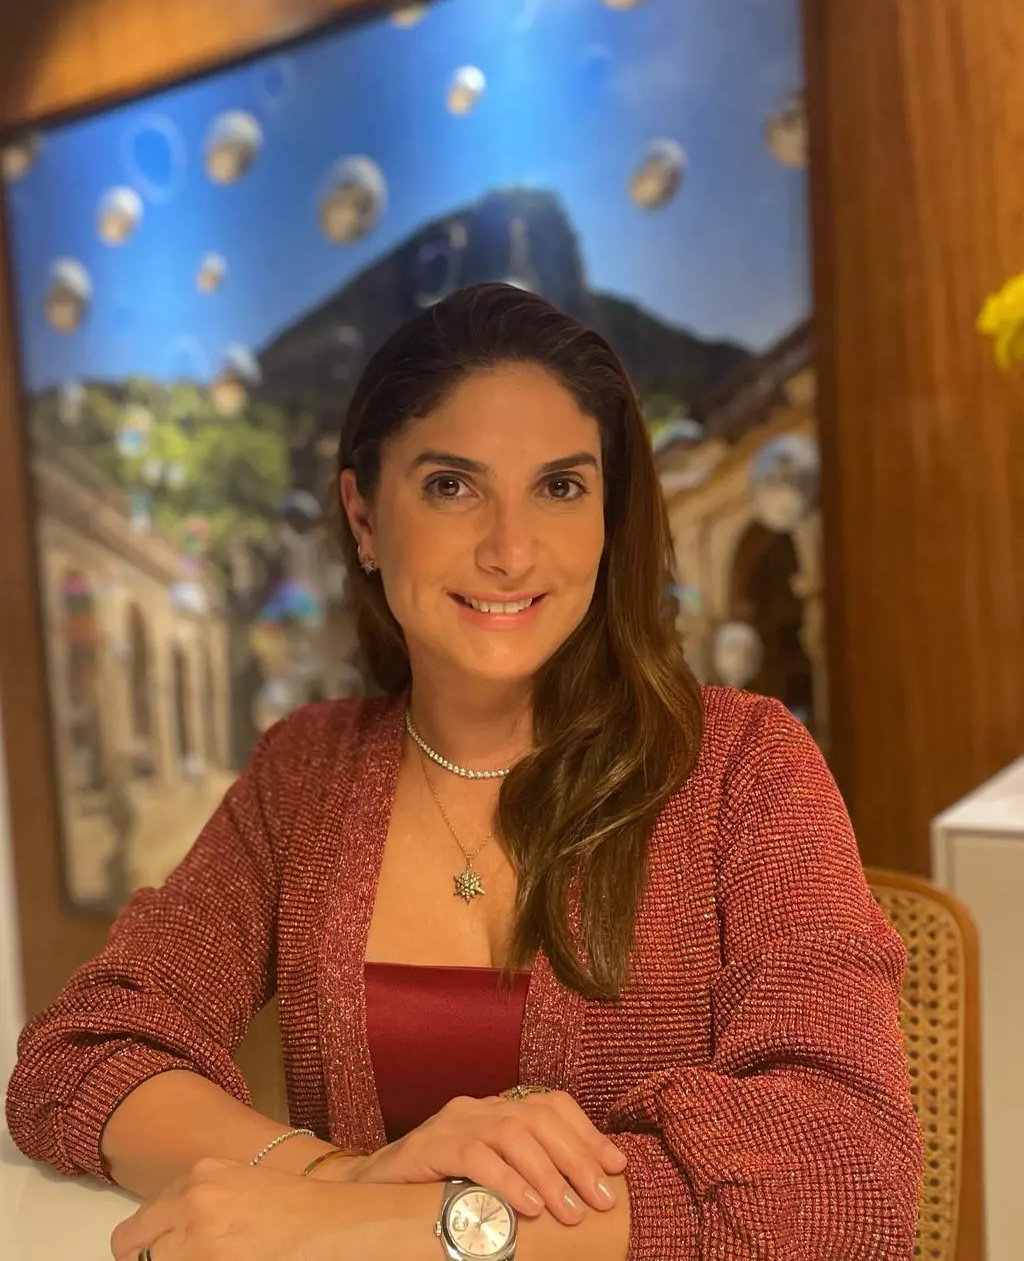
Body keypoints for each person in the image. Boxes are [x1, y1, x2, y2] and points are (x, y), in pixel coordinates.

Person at [6, 284, 922, 1261]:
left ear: (608, 517)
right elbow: (83, 1051)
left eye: (560, 487)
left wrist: (390, 1225)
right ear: (363, 516)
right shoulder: (303, 773)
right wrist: (333, 1178)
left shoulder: (744, 767)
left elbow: (850, 1177)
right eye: (452, 485)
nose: (510, 550)